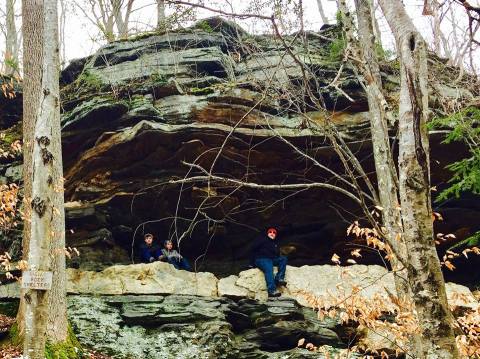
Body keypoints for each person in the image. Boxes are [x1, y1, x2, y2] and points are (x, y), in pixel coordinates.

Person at [250, 227, 287, 298]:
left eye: (274, 233)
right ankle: (272, 291)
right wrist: (251, 263)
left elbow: (276, 255)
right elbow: (253, 249)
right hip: (261, 259)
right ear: (267, 233)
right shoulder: (262, 240)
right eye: (270, 232)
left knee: (283, 259)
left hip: (271, 259)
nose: (272, 233)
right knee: (269, 268)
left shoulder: (275, 244)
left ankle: (279, 278)